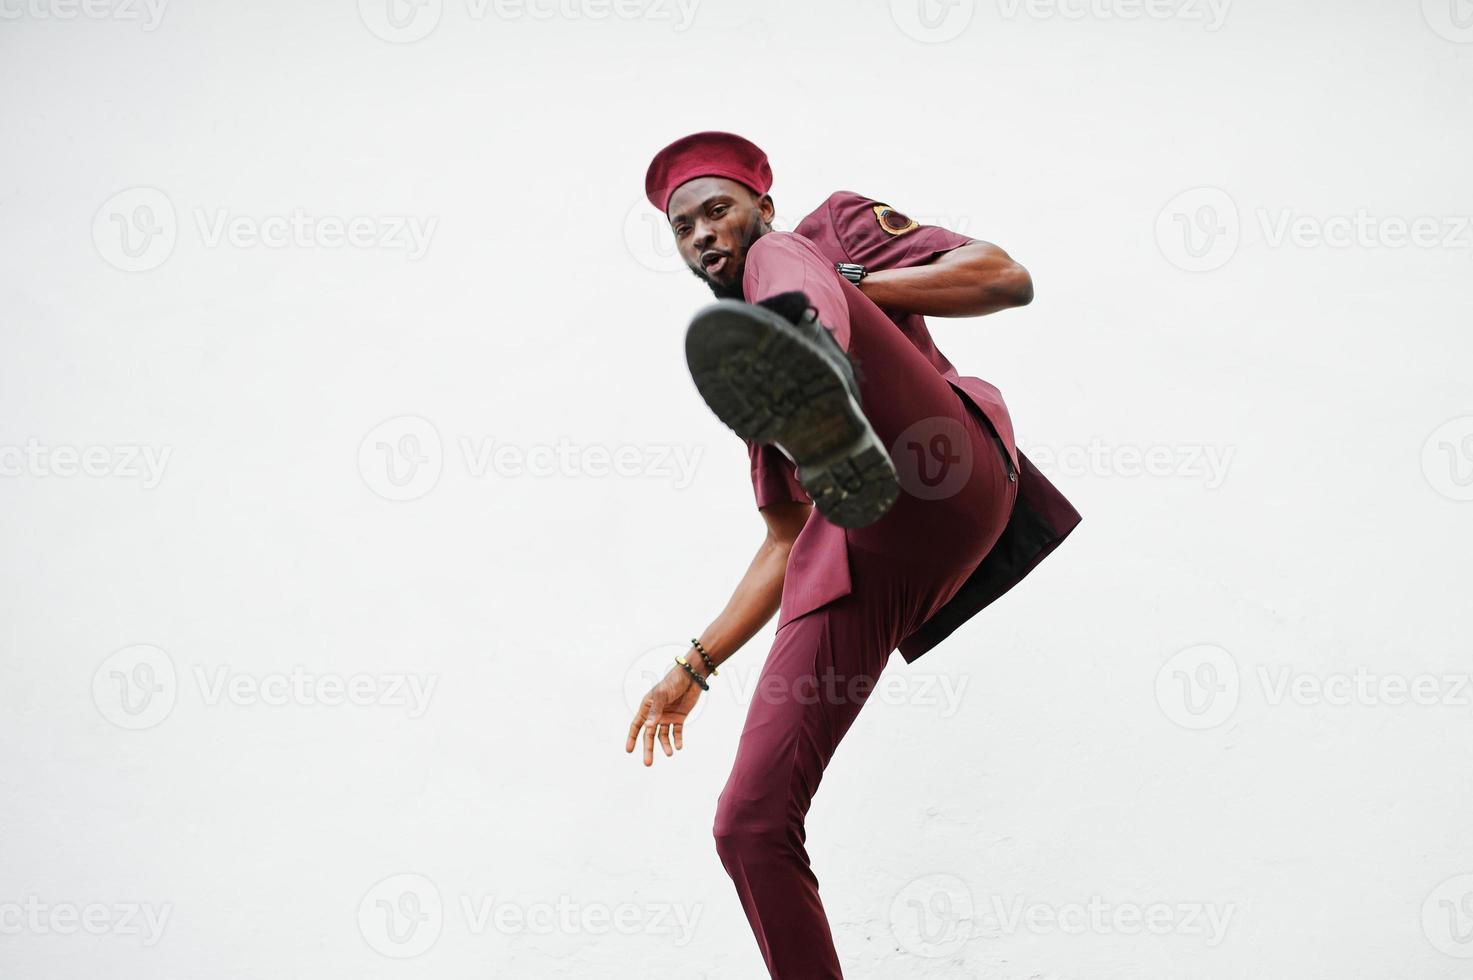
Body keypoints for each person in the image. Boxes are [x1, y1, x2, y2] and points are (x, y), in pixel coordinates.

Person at [624, 130, 1081, 979]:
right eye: (683, 230)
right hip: (862, 551)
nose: (703, 237)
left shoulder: (816, 235)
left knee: (786, 262)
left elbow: (1004, 277)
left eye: (717, 212)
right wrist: (691, 668)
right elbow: (783, 541)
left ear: (758, 202)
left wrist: (846, 282)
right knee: (747, 824)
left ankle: (823, 358)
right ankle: (820, 398)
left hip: (944, 468)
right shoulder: (747, 363)